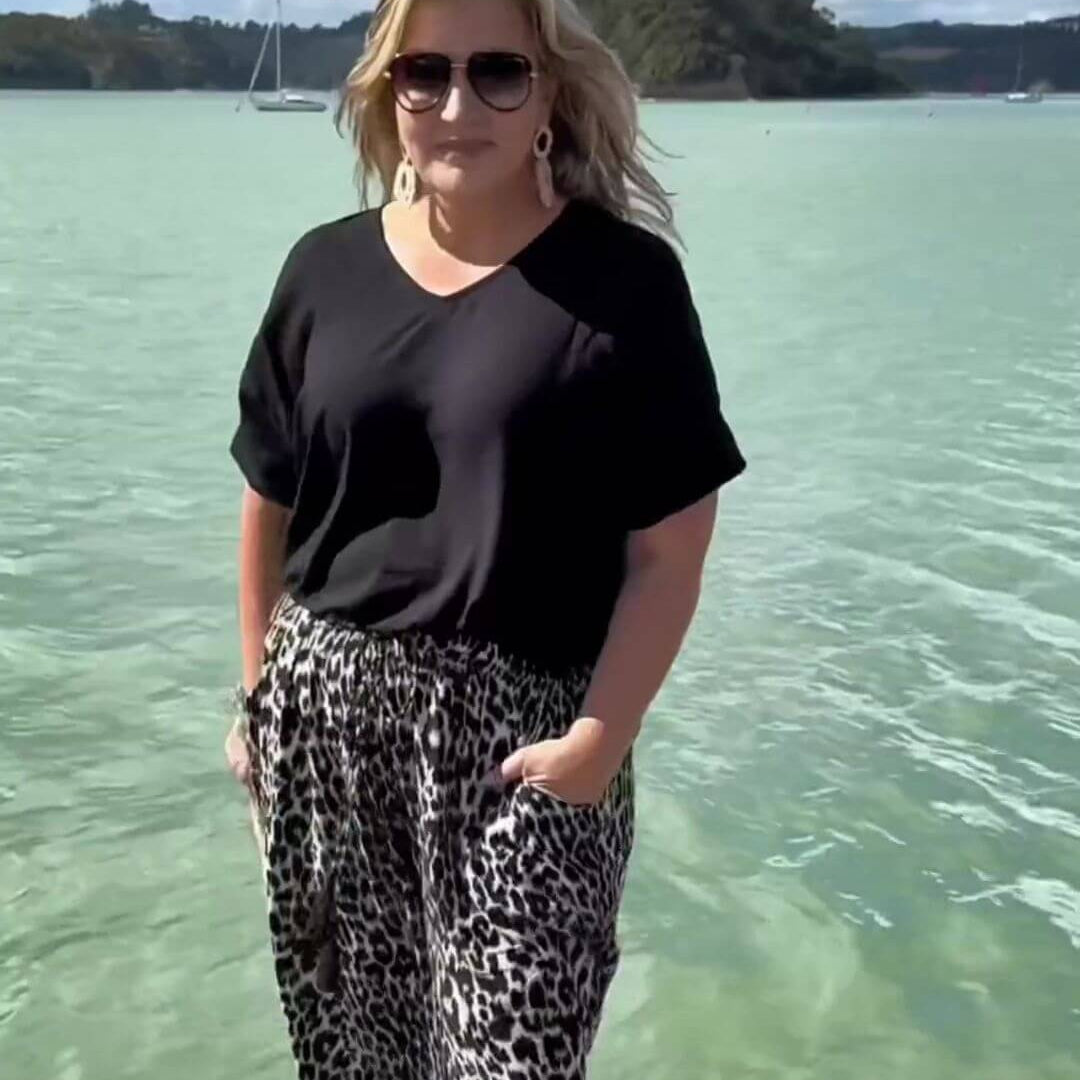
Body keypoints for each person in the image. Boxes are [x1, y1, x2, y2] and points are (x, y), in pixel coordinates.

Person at [223, 0, 747, 1076]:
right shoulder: (322, 271)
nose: (460, 104)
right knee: (356, 1058)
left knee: (513, 1058)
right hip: (324, 733)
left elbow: (672, 545)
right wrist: (256, 702)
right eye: (426, 74)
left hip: (524, 744)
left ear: (549, 93)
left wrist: (598, 745)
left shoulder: (625, 287)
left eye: (499, 73)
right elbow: (268, 501)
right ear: (389, 95)